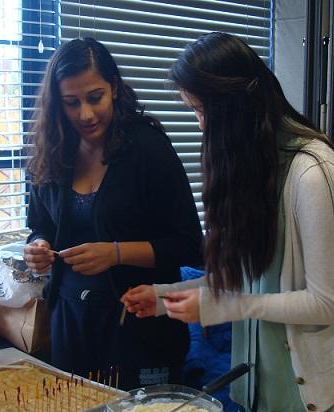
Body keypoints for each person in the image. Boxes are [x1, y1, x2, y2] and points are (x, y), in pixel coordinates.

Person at [121, 32, 334, 412]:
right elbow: (253, 280)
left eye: (202, 111)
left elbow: (326, 303)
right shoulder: (254, 167)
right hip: (260, 392)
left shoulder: (312, 173)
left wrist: (222, 306)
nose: (201, 125)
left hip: (318, 405)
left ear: (234, 105)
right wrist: (166, 296)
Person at [23, 38, 203, 390]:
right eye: (71, 103)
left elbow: (187, 244)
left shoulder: (147, 148)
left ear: (114, 89)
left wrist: (116, 252)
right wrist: (37, 247)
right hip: (71, 321)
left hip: (139, 323)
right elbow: (39, 225)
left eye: (95, 98)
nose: (85, 115)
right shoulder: (54, 148)